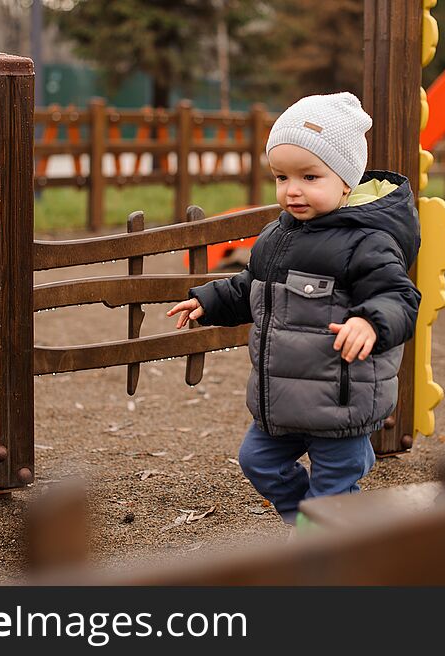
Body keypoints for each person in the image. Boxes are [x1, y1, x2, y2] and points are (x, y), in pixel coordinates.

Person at [167, 92, 421, 525]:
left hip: (341, 399)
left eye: (309, 176)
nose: (293, 190)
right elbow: (252, 287)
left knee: (332, 489)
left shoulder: (367, 242)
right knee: (257, 460)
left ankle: (324, 546)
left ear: (346, 180)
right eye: (281, 177)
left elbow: (399, 297)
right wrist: (209, 300)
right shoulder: (276, 235)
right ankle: (307, 524)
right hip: (282, 399)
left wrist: (369, 321)